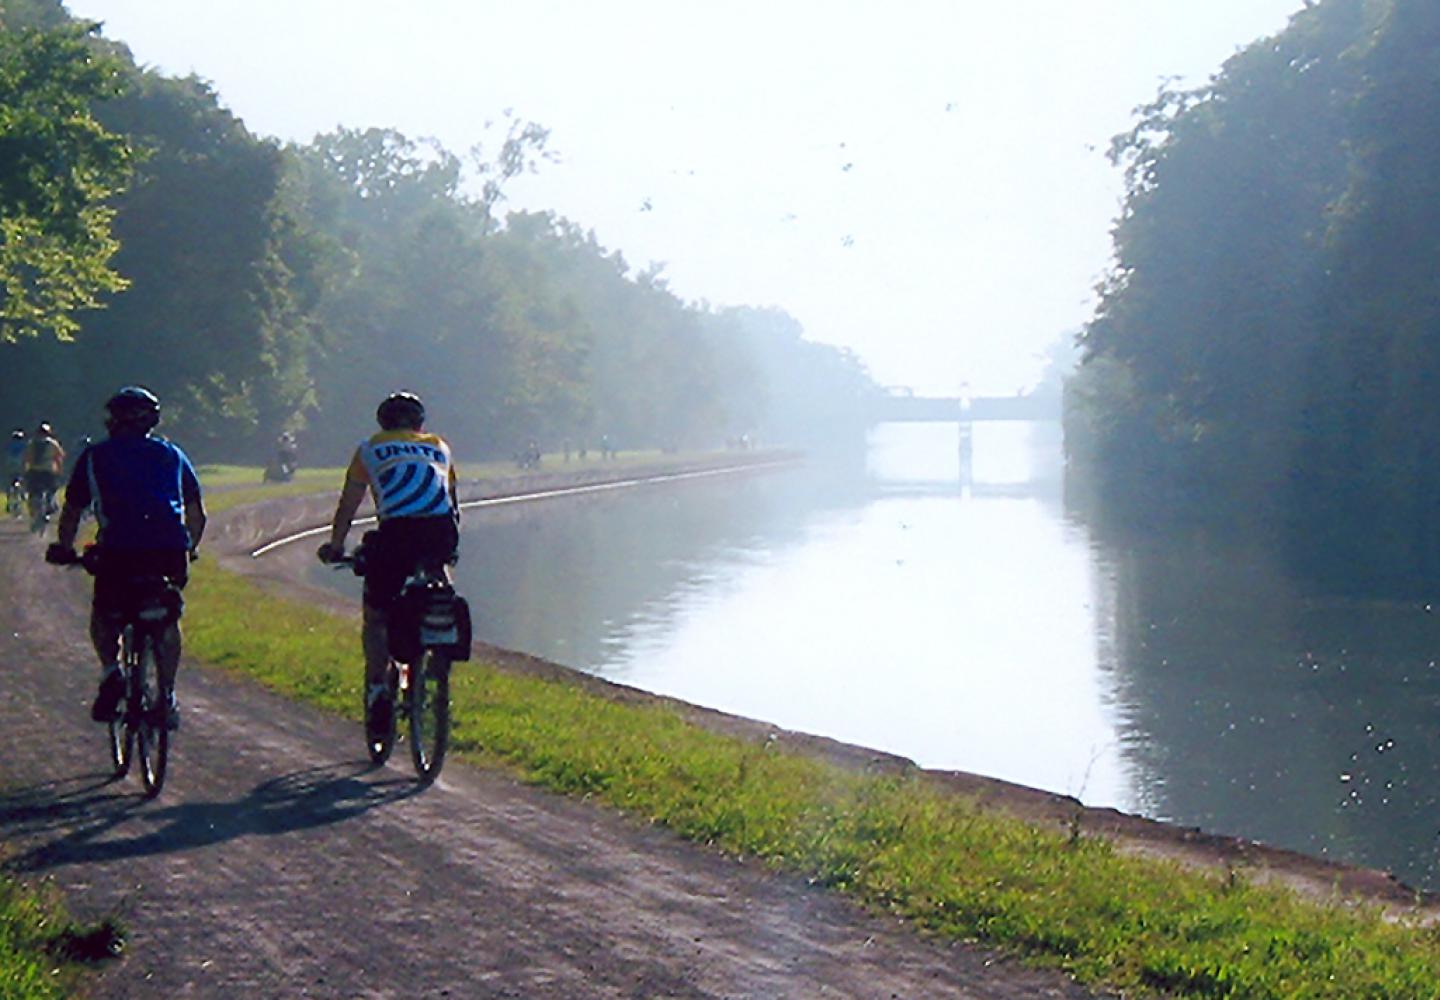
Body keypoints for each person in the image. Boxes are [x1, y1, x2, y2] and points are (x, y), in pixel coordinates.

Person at [45, 387, 206, 729]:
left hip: (119, 551)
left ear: (113, 422)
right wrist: (190, 548)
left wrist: (64, 547)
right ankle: (167, 695)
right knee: (167, 616)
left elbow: (72, 510)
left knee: (105, 612)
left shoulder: (95, 457)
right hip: (169, 551)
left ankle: (111, 672)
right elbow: (196, 513)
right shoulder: (173, 455)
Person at [316, 391, 459, 736]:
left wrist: (336, 546)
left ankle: (379, 687)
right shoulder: (439, 446)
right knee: (441, 588)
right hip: (442, 532)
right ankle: (438, 665)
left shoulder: (370, 448)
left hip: (397, 533)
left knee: (377, 613)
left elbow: (348, 505)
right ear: (420, 424)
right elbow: (451, 503)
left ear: (382, 423)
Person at [22, 421, 64, 518]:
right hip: (48, 471)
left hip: (34, 471)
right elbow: (59, 457)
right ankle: (50, 505)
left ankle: (33, 512)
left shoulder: (31, 443)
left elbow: (26, 458)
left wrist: (25, 471)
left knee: (32, 492)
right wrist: (59, 470)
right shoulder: (53, 443)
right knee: (52, 489)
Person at [5, 428, 25, 514]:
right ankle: (21, 495)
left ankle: (9, 501)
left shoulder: (10, 445)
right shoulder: (23, 445)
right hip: (20, 466)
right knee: (21, 480)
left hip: (10, 466)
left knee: (10, 483)